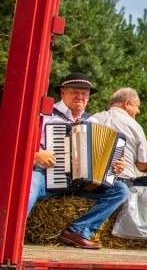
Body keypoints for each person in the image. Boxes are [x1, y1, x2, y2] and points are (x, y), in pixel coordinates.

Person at [27, 73, 129, 250]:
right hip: (46, 176)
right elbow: (20, 142)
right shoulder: (46, 116)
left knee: (121, 190)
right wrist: (36, 153)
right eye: (75, 92)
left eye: (84, 94)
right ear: (63, 92)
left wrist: (115, 167)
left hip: (80, 183)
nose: (80, 97)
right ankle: (9, 234)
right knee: (30, 183)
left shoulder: (92, 121)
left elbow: (104, 158)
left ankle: (79, 231)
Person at [93, 87, 147, 187]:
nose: (138, 111)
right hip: (122, 181)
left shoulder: (94, 118)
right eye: (137, 106)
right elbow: (141, 166)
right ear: (127, 103)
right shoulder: (135, 126)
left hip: (92, 180)